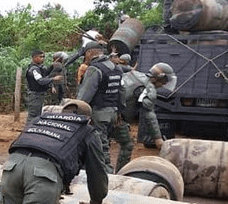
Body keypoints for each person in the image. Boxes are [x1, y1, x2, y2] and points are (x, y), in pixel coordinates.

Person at [76, 42, 134, 173]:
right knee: (109, 143)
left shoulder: (94, 69)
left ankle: (107, 175)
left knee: (101, 148)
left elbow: (85, 96)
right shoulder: (117, 69)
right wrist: (119, 111)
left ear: (90, 53)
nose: (85, 58)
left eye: (85, 55)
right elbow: (122, 92)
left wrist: (78, 113)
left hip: (99, 114)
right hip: (113, 114)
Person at [125, 63, 177, 149]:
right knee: (123, 146)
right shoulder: (149, 89)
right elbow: (149, 115)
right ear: (157, 79)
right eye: (163, 82)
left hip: (109, 111)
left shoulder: (136, 75)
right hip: (113, 117)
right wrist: (157, 138)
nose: (163, 85)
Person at [25, 50, 63, 123]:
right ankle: (30, 128)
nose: (43, 58)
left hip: (40, 95)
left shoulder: (40, 68)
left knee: (38, 114)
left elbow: (45, 74)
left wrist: (52, 66)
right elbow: (41, 80)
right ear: (35, 58)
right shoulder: (34, 69)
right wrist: (53, 79)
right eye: (41, 57)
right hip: (35, 95)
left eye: (43, 57)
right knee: (33, 115)